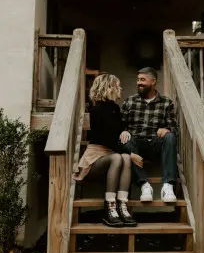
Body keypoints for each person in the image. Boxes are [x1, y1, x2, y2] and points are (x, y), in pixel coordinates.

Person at [73, 74, 142, 228]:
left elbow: (116, 130)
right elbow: (104, 138)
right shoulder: (95, 110)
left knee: (123, 157)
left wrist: (125, 131)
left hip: (111, 153)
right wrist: (132, 154)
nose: (121, 88)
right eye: (118, 85)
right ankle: (110, 206)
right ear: (109, 87)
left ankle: (122, 206)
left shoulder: (115, 109)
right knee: (119, 157)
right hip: (95, 157)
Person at [120, 67, 178, 203]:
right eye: (138, 80)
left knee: (170, 137)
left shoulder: (166, 103)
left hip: (155, 145)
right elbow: (120, 125)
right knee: (125, 140)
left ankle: (168, 186)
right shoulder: (129, 102)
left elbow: (175, 128)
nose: (139, 83)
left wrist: (167, 130)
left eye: (142, 80)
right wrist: (123, 130)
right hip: (136, 146)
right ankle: (144, 185)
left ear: (153, 81)